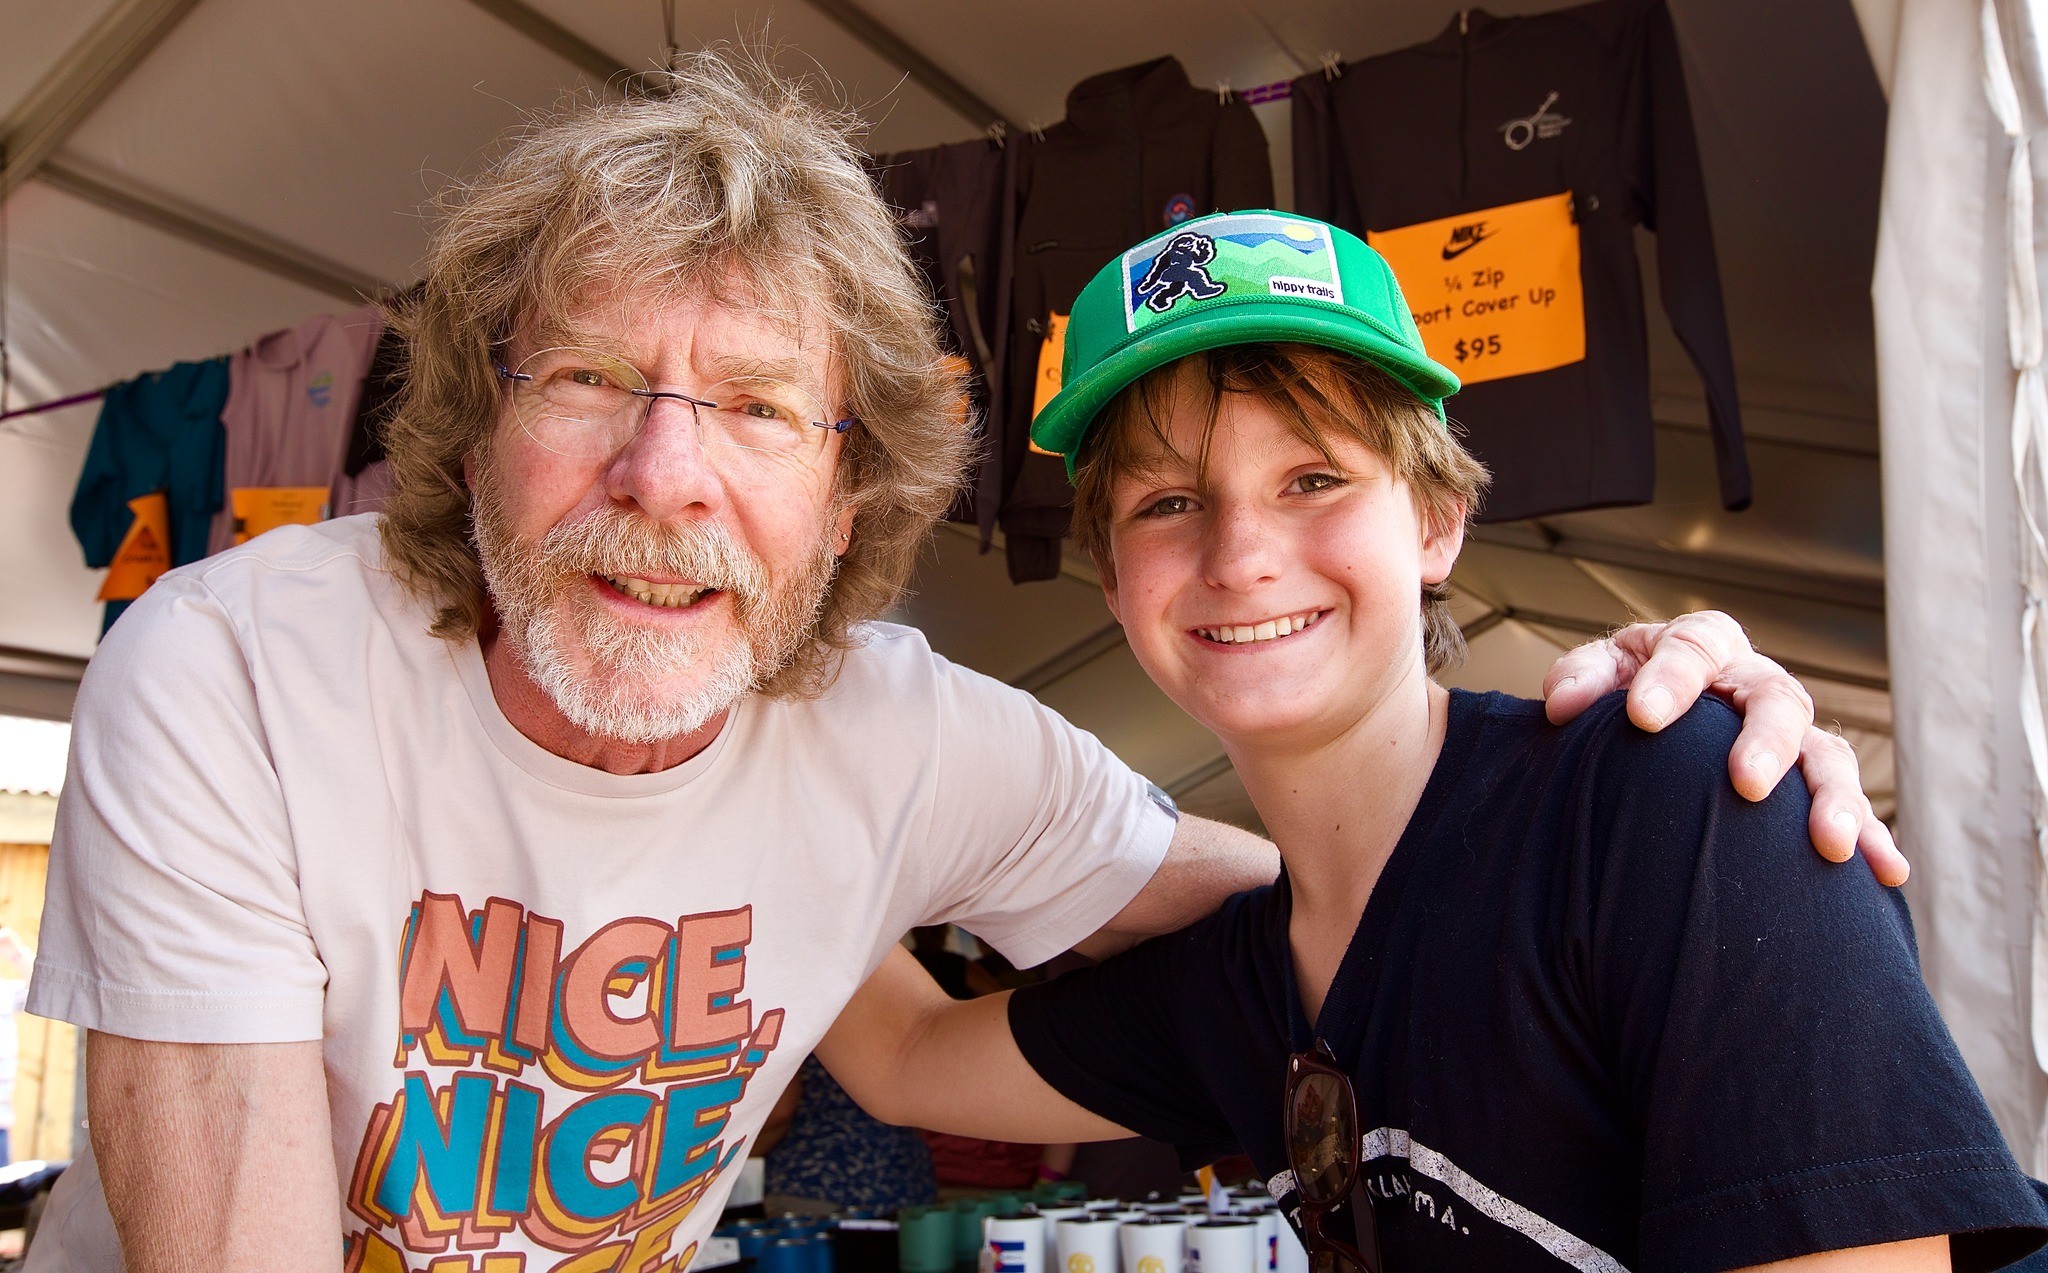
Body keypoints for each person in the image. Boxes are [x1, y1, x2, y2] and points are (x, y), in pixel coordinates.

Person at [26, 53, 1883, 1273]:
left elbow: (1326, 912)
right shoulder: (236, 668)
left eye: (756, 407)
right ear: (471, 422)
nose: (661, 474)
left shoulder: (906, 738)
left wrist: (1656, 765)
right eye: (587, 375)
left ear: (849, 493)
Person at [818, 212, 2048, 1271]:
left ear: (1437, 523)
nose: (1239, 554)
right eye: (1167, 501)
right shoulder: (1238, 980)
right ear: (1114, 586)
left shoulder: (1676, 802)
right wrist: (740, 720)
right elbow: (903, 1050)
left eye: (1313, 479)